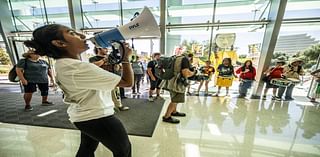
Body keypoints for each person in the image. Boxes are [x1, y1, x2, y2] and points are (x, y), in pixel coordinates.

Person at [23, 24, 133, 157]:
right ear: (59, 43)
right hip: (98, 117)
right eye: (71, 33)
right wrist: (126, 58)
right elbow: (127, 83)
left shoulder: (63, 64)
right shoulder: (78, 67)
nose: (82, 35)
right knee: (124, 151)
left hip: (83, 116)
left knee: (87, 149)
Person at [89, 47, 129, 111]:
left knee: (116, 94)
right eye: (104, 48)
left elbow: (117, 68)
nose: (106, 50)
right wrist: (104, 60)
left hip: (113, 78)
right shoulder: (93, 59)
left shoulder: (111, 58)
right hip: (101, 80)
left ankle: (118, 106)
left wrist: (118, 66)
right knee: (102, 95)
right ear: (98, 49)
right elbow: (93, 66)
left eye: (107, 49)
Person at [160, 53, 195, 124]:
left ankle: (174, 111)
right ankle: (167, 116)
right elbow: (185, 73)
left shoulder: (175, 58)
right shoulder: (185, 59)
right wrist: (193, 72)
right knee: (175, 99)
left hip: (170, 80)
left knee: (174, 97)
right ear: (190, 57)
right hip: (177, 82)